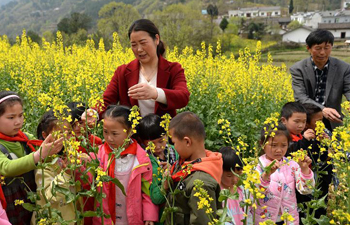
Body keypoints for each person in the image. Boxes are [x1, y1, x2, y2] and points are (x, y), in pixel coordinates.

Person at [99, 19, 190, 118]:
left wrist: (155, 93)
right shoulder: (122, 72)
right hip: (132, 133)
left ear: (156, 39)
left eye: (143, 43)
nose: (139, 49)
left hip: (164, 132)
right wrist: (93, 114)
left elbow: (183, 97)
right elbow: (106, 102)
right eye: (134, 45)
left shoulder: (173, 69)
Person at [0, 91, 63, 225]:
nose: (18, 121)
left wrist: (53, 152)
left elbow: (42, 159)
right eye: (11, 117)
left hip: (33, 200)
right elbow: (7, 167)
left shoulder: (26, 138)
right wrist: (39, 155)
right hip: (10, 206)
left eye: (21, 115)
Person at [92, 105, 158, 225]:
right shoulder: (98, 154)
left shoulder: (141, 158)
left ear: (130, 131)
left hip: (132, 218)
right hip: (105, 217)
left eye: (114, 134)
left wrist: (150, 215)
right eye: (105, 132)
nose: (109, 138)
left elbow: (147, 190)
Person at [166, 112, 223, 224]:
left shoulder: (201, 181)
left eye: (174, 142)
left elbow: (202, 221)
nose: (173, 147)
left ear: (187, 141)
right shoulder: (185, 164)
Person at [33, 110, 86, 224]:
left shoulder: (69, 156)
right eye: (60, 134)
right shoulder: (43, 164)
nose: (65, 139)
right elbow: (49, 196)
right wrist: (66, 173)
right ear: (44, 135)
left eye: (69, 133)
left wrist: (86, 166)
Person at [290, 29, 350, 131]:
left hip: (333, 121)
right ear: (308, 48)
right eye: (318, 48)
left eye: (326, 48)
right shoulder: (298, 69)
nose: (322, 53)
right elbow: (301, 97)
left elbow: (348, 90)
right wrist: (323, 110)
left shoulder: (343, 68)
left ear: (331, 47)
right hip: (307, 121)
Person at [255, 123, 315, 225]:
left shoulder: (292, 165)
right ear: (262, 144)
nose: (279, 150)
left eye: (283, 145)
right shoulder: (257, 166)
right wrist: (265, 176)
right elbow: (253, 194)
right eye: (273, 145)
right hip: (263, 220)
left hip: (289, 220)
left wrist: (304, 169)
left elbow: (306, 190)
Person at [136, 113, 178, 225]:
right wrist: (165, 185)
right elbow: (155, 198)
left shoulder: (176, 151)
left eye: (161, 141)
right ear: (143, 143)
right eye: (151, 144)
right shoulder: (146, 161)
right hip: (162, 216)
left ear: (167, 135)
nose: (157, 147)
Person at [219, 146, 244, 225]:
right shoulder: (218, 193)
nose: (235, 179)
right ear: (219, 171)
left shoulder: (242, 190)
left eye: (238, 174)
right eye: (229, 176)